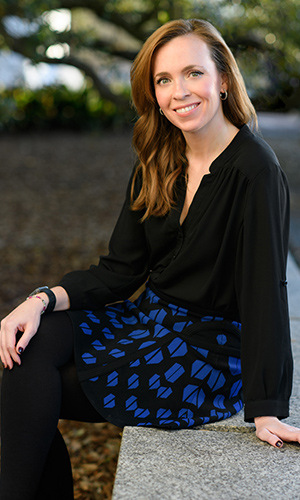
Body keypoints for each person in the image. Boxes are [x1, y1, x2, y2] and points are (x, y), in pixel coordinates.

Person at [0, 18, 299, 500]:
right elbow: (120, 270)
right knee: (24, 354)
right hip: (149, 322)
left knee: (25, 392)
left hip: (205, 352)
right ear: (153, 92)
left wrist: (267, 408)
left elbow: (265, 291)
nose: (179, 91)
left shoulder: (255, 170)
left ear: (223, 79)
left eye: (193, 73)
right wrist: (39, 300)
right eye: (164, 80)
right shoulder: (159, 158)